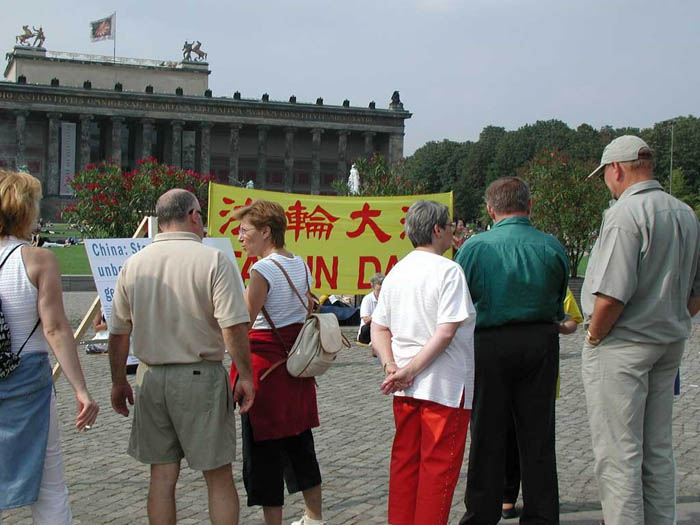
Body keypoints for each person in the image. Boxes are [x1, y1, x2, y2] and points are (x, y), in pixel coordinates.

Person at [108, 189, 254, 525]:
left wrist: (117, 381)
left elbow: (118, 333)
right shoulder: (213, 260)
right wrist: (245, 375)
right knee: (217, 475)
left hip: (150, 377)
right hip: (200, 376)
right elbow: (232, 327)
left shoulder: (134, 264)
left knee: (161, 476)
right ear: (192, 216)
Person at [581, 135, 700, 525]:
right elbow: (697, 291)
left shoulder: (625, 213)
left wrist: (595, 336)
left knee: (619, 455)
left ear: (616, 169)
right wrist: (672, 316)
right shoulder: (685, 212)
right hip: (668, 340)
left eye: (605, 174)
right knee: (658, 448)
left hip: (623, 343)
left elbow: (611, 295)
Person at [455, 176, 569, 525]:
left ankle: (481, 514)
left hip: (489, 343)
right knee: (538, 434)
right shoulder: (551, 246)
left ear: (491, 210)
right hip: (540, 341)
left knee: (486, 432)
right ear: (529, 206)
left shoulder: (474, 248)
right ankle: (542, 515)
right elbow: (559, 298)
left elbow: (461, 300)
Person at [0, 169, 99, 524]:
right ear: (25, 210)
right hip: (28, 379)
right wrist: (81, 389)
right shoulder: (38, 260)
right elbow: (55, 329)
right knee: (49, 487)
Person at [372, 200, 476, 525]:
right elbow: (445, 332)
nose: (452, 232)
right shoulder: (449, 271)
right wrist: (407, 370)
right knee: (437, 470)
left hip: (405, 388)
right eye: (449, 226)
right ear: (436, 230)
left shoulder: (396, 271)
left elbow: (378, 327)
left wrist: (391, 366)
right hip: (444, 387)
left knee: (405, 464)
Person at [231, 199, 324, 525]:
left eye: (245, 230)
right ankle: (314, 517)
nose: (240, 237)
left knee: (264, 455)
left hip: (265, 373)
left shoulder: (262, 270)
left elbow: (243, 322)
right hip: (295, 369)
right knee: (301, 445)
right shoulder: (300, 263)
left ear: (266, 232)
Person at [501, 287, 583, 519]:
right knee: (507, 439)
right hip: (506, 371)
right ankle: (507, 497)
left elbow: (573, 321)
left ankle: (536, 504)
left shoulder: (554, 282)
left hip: (539, 376)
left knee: (536, 442)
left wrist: (556, 327)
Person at [357, 272, 384, 345]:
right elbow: (366, 320)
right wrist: (380, 317)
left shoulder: (387, 299)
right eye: (379, 289)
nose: (381, 292)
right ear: (373, 287)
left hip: (382, 327)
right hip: (369, 330)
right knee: (366, 328)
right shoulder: (367, 299)